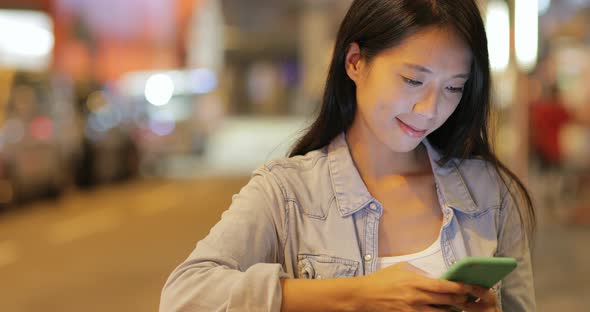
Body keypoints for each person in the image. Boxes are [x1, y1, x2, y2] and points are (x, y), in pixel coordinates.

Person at [160, 0, 536, 311]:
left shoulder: (491, 194)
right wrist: (360, 295)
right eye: (413, 80)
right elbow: (185, 296)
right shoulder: (287, 194)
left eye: (454, 87)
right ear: (355, 62)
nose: (429, 109)